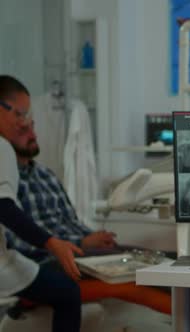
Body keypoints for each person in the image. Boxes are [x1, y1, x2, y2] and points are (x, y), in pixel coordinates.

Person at [2, 75, 190, 329]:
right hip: (49, 264)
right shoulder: (10, 178)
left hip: (79, 251)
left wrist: (87, 238)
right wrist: (59, 245)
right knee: (146, 276)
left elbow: (67, 225)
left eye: (31, 121)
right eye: (22, 120)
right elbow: (20, 236)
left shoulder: (44, 175)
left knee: (159, 258)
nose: (30, 128)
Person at [0, 75, 83, 332]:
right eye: (20, 114)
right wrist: (51, 243)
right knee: (68, 293)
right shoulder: (2, 147)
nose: (24, 123)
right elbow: (4, 208)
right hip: (6, 266)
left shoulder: (45, 175)